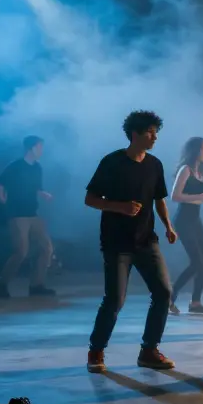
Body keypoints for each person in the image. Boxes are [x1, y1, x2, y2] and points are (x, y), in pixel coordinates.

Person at [85, 110, 178, 373]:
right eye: (150, 132)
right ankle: (96, 351)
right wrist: (120, 207)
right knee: (115, 300)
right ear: (135, 134)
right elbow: (90, 199)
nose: (155, 137)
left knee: (163, 293)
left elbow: (159, 199)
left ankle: (149, 350)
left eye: (156, 132)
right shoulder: (112, 162)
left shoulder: (155, 164)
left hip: (147, 240)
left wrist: (168, 226)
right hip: (117, 243)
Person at [0, 136, 55, 298]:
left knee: (46, 248)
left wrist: (43, 194)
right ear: (31, 148)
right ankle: (1, 283)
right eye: (40, 147)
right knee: (21, 251)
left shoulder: (37, 167)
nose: (41, 150)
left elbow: (37, 187)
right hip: (17, 214)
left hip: (32, 213)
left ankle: (37, 284)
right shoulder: (15, 166)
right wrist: (2, 198)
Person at [169, 137, 203, 315]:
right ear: (194, 150)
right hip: (183, 220)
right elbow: (175, 196)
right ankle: (170, 296)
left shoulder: (201, 172)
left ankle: (195, 302)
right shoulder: (186, 170)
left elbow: (197, 197)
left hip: (195, 219)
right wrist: (202, 196)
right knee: (197, 262)